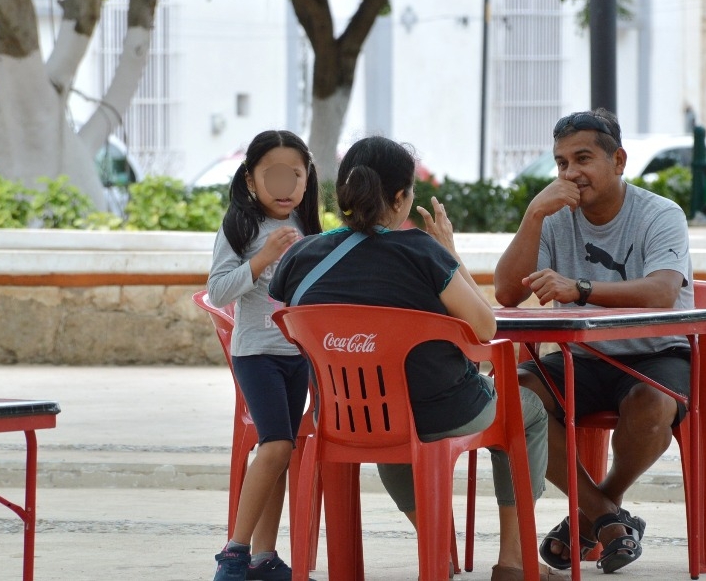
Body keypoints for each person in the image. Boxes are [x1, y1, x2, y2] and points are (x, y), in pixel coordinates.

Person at [269, 136, 560, 581]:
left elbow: (292, 325)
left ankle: (436, 550)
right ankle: (513, 560)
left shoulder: (302, 257)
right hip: (445, 409)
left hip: (348, 414)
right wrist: (448, 251)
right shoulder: (422, 252)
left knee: (391, 428)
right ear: (402, 197)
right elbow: (486, 328)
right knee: (531, 411)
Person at [494, 108, 695, 574]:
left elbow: (663, 292)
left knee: (653, 404)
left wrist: (580, 290)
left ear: (618, 160)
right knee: (509, 396)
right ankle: (607, 516)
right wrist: (534, 213)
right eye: (561, 163)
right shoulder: (555, 218)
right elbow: (506, 292)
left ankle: (597, 509)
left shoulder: (660, 214)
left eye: (583, 158)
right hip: (579, 357)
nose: (570, 173)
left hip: (655, 353)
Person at [206, 129, 322, 581]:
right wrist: (260, 260)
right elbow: (217, 290)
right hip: (257, 353)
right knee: (274, 446)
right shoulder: (241, 227)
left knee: (283, 451)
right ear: (251, 181)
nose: (285, 185)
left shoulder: (312, 231)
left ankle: (263, 557)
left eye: (294, 174)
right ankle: (233, 555)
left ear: (307, 179)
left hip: (298, 356)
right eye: (272, 175)